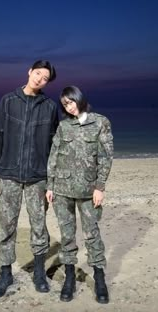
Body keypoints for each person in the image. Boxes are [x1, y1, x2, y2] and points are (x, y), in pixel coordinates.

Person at [0, 60, 58, 298]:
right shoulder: (8, 101)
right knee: (7, 225)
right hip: (9, 175)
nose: (40, 79)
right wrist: (3, 165)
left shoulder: (49, 106)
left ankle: (39, 272)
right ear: (29, 72)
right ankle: (5, 273)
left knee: (39, 226)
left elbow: (53, 145)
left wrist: (50, 177)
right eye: (38, 73)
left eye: (45, 78)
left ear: (47, 82)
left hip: (38, 177)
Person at [46, 86, 113, 304]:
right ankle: (70, 278)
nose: (69, 106)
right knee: (67, 235)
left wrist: (99, 187)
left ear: (79, 99)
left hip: (88, 191)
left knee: (92, 234)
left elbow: (105, 157)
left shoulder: (100, 122)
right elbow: (53, 157)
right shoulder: (64, 126)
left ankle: (100, 278)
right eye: (65, 104)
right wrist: (50, 186)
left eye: (71, 101)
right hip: (63, 190)